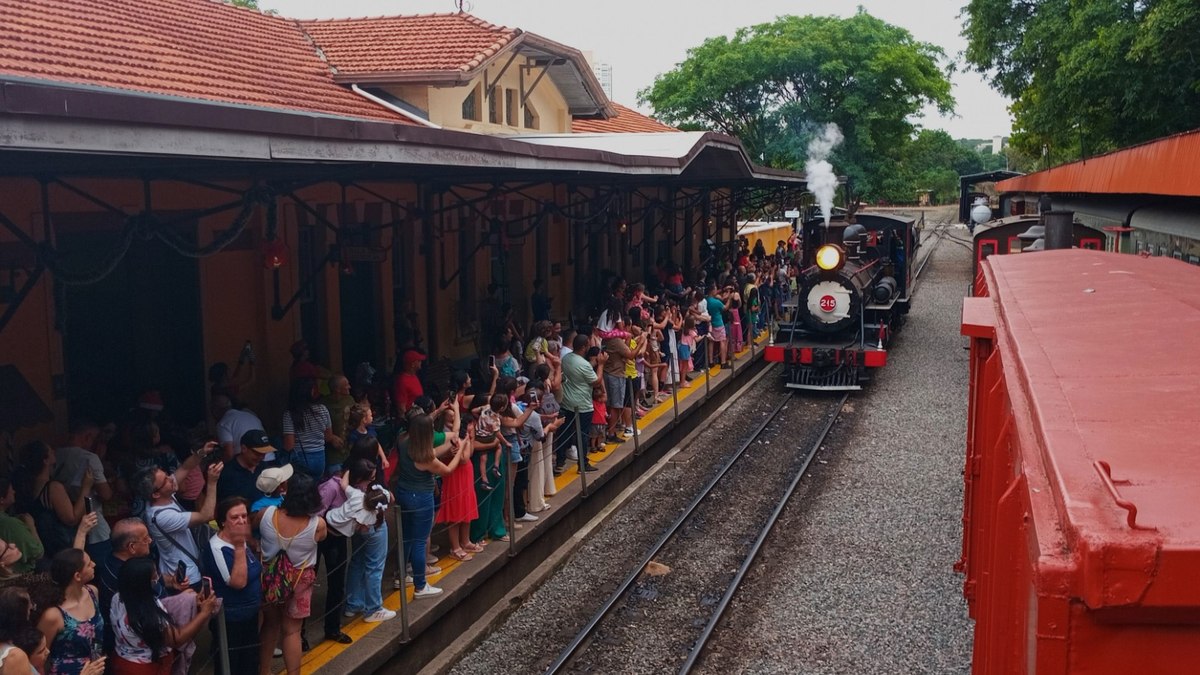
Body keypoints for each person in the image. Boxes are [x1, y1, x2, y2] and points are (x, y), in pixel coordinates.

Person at [395, 410, 469, 598]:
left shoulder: (404, 442)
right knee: (420, 541)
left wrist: (447, 447)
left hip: (404, 493)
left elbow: (431, 452)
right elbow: (447, 470)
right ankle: (421, 585)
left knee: (406, 537)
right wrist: (460, 448)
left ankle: (402, 575)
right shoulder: (425, 458)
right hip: (421, 497)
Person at [258, 473, 326, 675]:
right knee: (292, 630)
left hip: (269, 577)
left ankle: (264, 671)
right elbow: (321, 539)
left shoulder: (266, 514)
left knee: (269, 624)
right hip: (300, 580)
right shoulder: (317, 525)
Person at [109, 557, 216, 675]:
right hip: (148, 668)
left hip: (121, 660)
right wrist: (204, 613)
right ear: (144, 584)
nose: (157, 577)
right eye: (154, 575)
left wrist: (189, 599)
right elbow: (177, 639)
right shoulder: (150, 615)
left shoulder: (117, 598)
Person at [138, 443, 223, 590]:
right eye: (165, 480)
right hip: (186, 577)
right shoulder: (162, 516)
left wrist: (201, 453)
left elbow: (185, 468)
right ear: (156, 494)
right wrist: (212, 482)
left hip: (187, 567)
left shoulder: (164, 494)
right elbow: (206, 515)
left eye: (166, 475)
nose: (171, 479)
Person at [325, 459, 394, 623]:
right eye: (370, 479)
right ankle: (373, 609)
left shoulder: (354, 494)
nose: (372, 482)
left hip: (336, 524)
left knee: (357, 562)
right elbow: (365, 527)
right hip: (371, 533)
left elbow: (344, 484)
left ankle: (353, 604)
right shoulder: (370, 519)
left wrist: (349, 469)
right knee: (374, 567)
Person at [202, 497, 261, 675]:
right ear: (222, 521)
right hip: (230, 620)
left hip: (250, 615)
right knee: (231, 666)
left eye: (244, 516)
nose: (242, 521)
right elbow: (238, 582)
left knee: (250, 664)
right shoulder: (218, 548)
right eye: (235, 517)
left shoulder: (240, 540)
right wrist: (239, 546)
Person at [13, 441, 89, 559]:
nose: (54, 451)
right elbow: (71, 519)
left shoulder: (26, 484)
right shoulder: (52, 487)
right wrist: (86, 487)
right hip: (58, 548)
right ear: (45, 460)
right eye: (50, 451)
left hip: (40, 544)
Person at [54, 420, 113, 563]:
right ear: (87, 437)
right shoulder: (90, 458)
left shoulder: (54, 455)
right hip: (92, 521)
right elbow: (106, 494)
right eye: (94, 439)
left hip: (62, 519)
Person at [38, 548, 105, 675]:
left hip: (96, 668)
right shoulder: (53, 615)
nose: (94, 564)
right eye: (89, 564)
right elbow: (40, 655)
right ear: (77, 576)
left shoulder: (92, 592)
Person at [557, 333, 601, 474]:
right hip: (582, 404)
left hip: (566, 402)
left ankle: (559, 461)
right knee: (582, 434)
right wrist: (601, 365)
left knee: (564, 433)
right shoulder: (583, 364)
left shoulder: (566, 358)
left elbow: (581, 371)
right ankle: (583, 464)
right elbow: (596, 381)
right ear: (583, 347)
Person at [281, 378, 338, 478]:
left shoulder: (290, 414)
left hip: (301, 458)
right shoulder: (323, 409)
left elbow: (289, 445)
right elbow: (328, 437)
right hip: (320, 457)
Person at [0, 474, 45, 574]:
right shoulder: (10, 524)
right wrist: (31, 526)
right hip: (20, 575)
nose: (14, 491)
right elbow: (37, 553)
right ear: (2, 499)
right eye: (11, 490)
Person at [215, 430, 270, 503]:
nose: (262, 457)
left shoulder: (264, 467)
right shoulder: (227, 473)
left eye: (264, 454)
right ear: (244, 448)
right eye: (257, 453)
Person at [210, 395, 267, 464]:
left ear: (215, 411)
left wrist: (217, 464)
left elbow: (229, 454)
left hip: (254, 462)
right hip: (269, 457)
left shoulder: (223, 423)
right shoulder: (250, 415)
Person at [322, 375, 355, 474]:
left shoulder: (350, 400)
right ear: (337, 389)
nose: (349, 386)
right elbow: (316, 429)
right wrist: (330, 437)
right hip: (333, 455)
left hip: (349, 450)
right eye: (346, 385)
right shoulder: (323, 405)